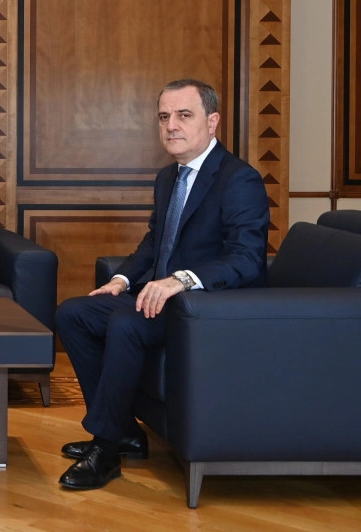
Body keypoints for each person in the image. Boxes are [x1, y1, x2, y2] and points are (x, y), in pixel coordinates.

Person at [54, 79, 269, 490]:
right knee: (73, 314)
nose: (171, 125)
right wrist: (121, 280)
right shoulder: (169, 177)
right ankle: (125, 431)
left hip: (209, 309)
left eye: (184, 115)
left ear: (212, 121)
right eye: (164, 117)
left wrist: (180, 281)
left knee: (126, 323)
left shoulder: (239, 179)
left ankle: (106, 449)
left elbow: (246, 259)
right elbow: (157, 240)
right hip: (165, 301)